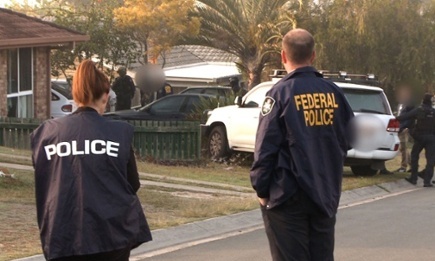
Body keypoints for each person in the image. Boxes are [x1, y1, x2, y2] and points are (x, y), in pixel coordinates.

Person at [30, 60, 152, 261]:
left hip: (61, 234)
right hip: (111, 237)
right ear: (105, 97)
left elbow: (45, 181)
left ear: (75, 95)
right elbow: (133, 183)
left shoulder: (46, 134)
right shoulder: (118, 132)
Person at [250, 29, 354, 261]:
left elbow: (265, 146)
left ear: (283, 56)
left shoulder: (279, 93)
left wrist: (262, 189)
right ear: (313, 55)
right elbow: (349, 138)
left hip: (288, 194)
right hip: (324, 192)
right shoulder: (334, 93)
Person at [397, 93, 435, 187]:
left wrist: (394, 118)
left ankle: (413, 178)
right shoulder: (433, 111)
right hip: (431, 138)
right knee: (430, 160)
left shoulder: (419, 110)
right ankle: (427, 182)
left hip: (420, 137)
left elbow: (406, 117)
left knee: (415, 156)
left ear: (423, 100)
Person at [395, 86, 415, 172]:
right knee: (403, 148)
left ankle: (404, 166)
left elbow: (409, 117)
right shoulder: (401, 104)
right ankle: (412, 165)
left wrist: (404, 127)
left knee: (404, 147)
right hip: (399, 127)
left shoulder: (409, 105)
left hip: (404, 128)